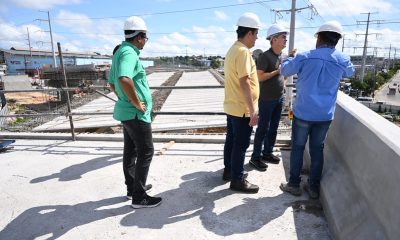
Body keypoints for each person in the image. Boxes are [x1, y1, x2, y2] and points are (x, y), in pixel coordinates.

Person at [279, 21, 354, 199]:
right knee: (317, 149)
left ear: (319, 38)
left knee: (297, 148)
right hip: (324, 115)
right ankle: (313, 188)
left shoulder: (305, 56)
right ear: (337, 40)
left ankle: (294, 185)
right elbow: (349, 73)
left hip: (303, 112)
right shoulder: (343, 59)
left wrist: (290, 57)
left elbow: (284, 69)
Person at [108, 16, 161, 208]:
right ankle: (140, 197)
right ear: (139, 36)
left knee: (130, 151)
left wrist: (124, 99)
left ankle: (133, 188)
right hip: (135, 114)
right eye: (145, 38)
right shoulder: (130, 53)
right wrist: (136, 102)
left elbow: (112, 83)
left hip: (126, 112)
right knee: (146, 150)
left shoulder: (120, 51)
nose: (145, 41)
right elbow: (123, 78)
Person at [223, 12, 261, 194]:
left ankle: (229, 171)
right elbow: (244, 81)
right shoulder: (244, 52)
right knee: (241, 144)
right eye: (256, 34)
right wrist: (253, 111)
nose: (256, 39)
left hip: (232, 106)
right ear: (250, 33)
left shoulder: (232, 49)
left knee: (231, 140)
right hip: (242, 108)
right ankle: (237, 179)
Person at [250, 24, 289, 171]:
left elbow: (280, 74)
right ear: (273, 39)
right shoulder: (265, 57)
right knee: (263, 129)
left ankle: (267, 153)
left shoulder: (280, 56)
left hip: (278, 98)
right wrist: (276, 72)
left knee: (273, 128)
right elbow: (260, 77)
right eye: (283, 37)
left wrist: (283, 82)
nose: (285, 40)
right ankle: (255, 157)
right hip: (266, 100)